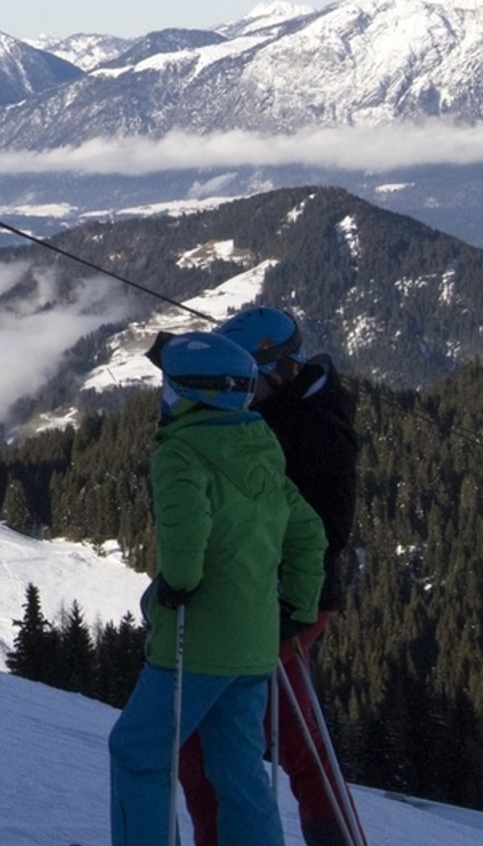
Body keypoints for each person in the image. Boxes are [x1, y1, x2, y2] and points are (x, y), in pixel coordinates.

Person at [108, 330, 326, 846]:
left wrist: (179, 585)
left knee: (138, 752)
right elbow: (307, 533)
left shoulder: (181, 452)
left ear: (192, 393)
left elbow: (186, 533)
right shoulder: (259, 446)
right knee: (237, 766)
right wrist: (298, 604)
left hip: (198, 640)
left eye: (170, 388)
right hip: (254, 645)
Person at [179, 307, 360, 846]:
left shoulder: (316, 429)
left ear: (282, 370)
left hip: (283, 601)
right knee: (282, 733)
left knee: (220, 736)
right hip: (254, 596)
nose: (241, 391)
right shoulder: (282, 411)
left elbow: (324, 532)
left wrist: (286, 602)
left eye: (250, 379)